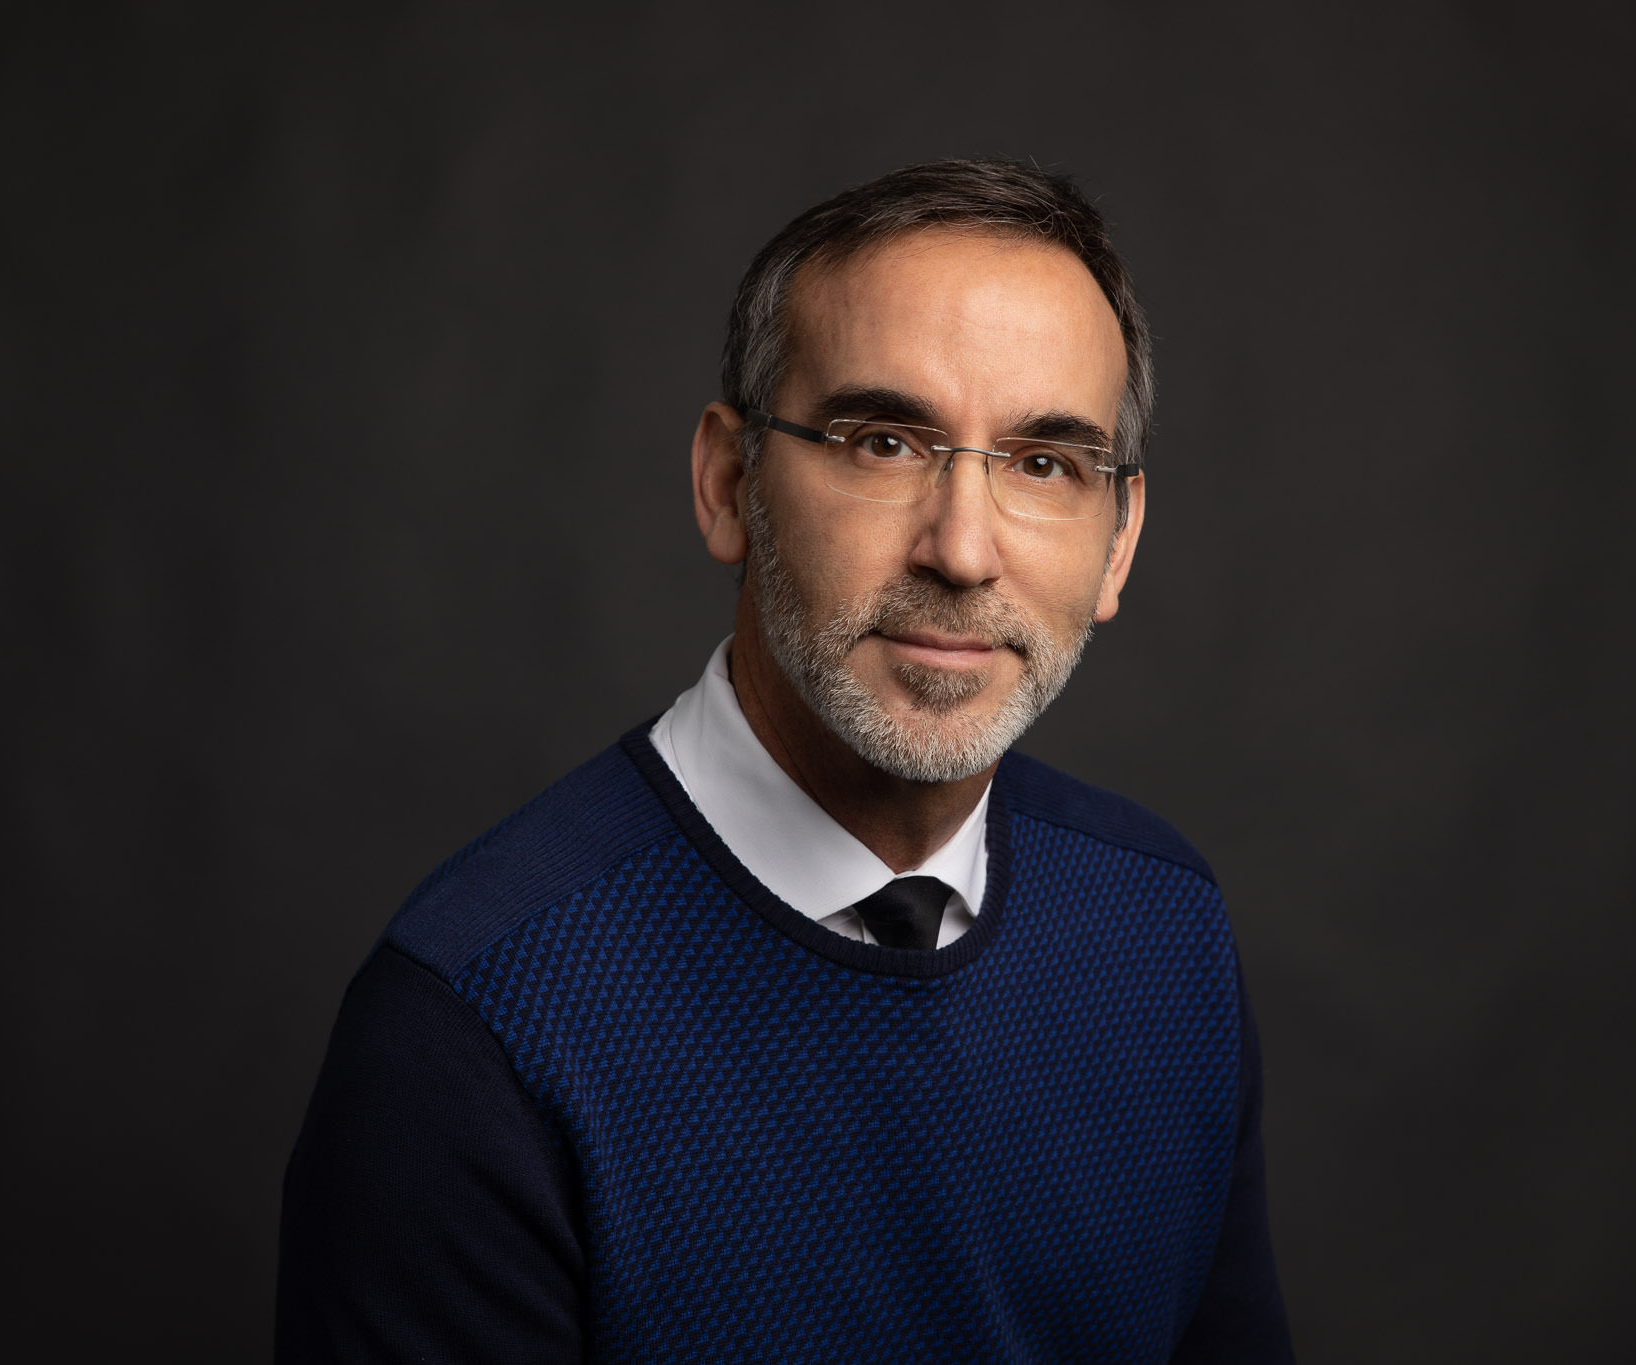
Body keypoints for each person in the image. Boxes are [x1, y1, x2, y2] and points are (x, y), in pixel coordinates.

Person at [276, 158, 1295, 1362]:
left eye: (1042, 463)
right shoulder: (475, 1026)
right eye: (883, 442)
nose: (963, 550)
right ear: (728, 484)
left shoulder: (1161, 929)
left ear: (1116, 542)